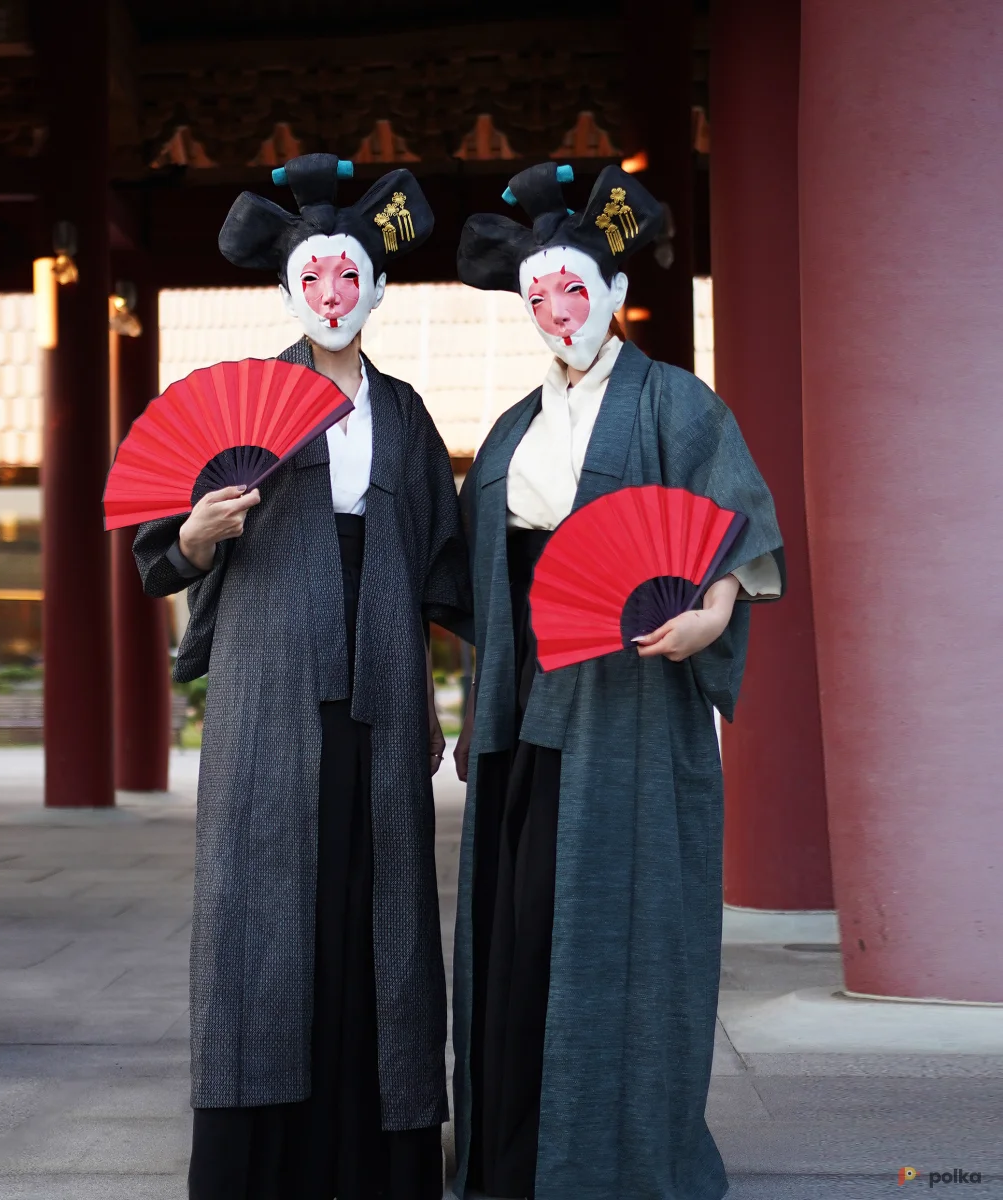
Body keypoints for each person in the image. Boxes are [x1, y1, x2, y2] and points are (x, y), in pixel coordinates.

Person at [132, 153, 470, 1200]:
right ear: (287, 292)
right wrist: (196, 530)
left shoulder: (406, 415)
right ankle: (253, 1158)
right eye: (312, 280)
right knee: (259, 901)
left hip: (378, 668)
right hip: (270, 675)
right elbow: (160, 552)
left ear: (375, 289)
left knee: (380, 907)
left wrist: (473, 691)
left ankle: (382, 1153)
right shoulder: (233, 403)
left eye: (349, 277)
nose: (331, 296)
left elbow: (448, 566)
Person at [450, 162, 784, 1200]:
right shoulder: (508, 431)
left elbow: (739, 533)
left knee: (620, 932)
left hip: (633, 709)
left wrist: (715, 610)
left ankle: (621, 1156)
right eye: (538, 298)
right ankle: (513, 1161)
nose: (558, 313)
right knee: (518, 934)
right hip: (525, 714)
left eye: (574, 292)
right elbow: (479, 583)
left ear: (611, 293)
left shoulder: (677, 407)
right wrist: (474, 705)